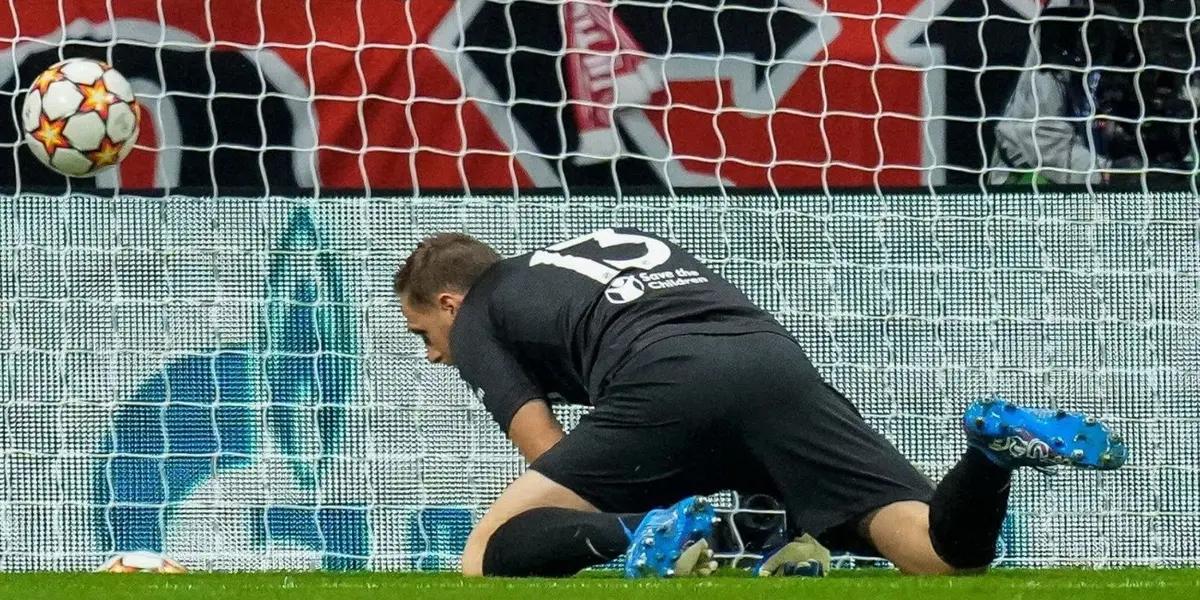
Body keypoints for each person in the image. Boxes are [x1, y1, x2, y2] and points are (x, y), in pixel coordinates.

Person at [393, 228, 1127, 577]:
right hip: (774, 364)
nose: (432, 354)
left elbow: (548, 451)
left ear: (449, 302)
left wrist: (629, 518)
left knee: (486, 551)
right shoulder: (590, 251)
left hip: (665, 378)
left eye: (424, 333)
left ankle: (646, 534)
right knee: (940, 557)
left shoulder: (479, 311)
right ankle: (990, 456)